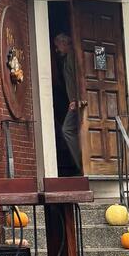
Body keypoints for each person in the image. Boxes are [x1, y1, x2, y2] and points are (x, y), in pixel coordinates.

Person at [52, 31, 83, 174]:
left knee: (67, 129)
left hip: (77, 102)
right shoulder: (67, 59)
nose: (57, 50)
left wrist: (76, 99)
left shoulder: (72, 57)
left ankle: (82, 164)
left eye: (57, 46)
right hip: (75, 102)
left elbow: (79, 78)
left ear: (64, 43)